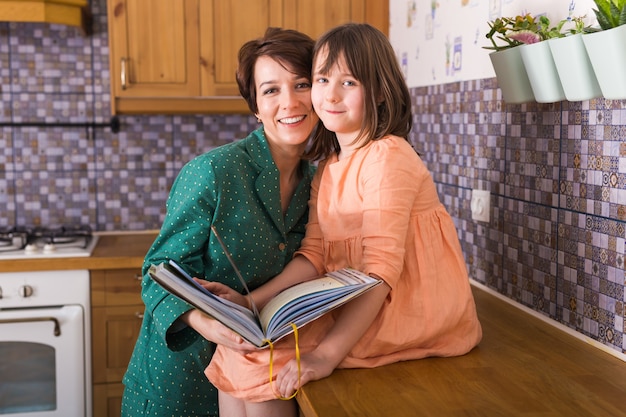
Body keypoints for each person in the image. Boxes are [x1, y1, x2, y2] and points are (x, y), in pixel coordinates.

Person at [202, 23, 483, 417]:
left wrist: (326, 356)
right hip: (358, 304)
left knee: (270, 358)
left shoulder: (388, 156)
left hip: (407, 310)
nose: (330, 95)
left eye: (348, 82)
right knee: (241, 349)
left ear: (380, 91)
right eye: (321, 79)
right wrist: (251, 302)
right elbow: (314, 255)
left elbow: (381, 270)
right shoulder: (331, 166)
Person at [120, 27, 320, 417]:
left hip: (259, 379)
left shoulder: (316, 184)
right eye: (271, 90)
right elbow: (154, 273)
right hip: (179, 380)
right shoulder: (214, 172)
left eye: (302, 84)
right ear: (255, 107)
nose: (290, 102)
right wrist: (208, 325)